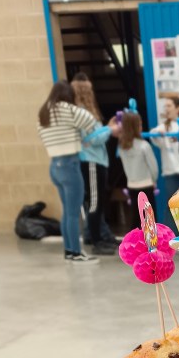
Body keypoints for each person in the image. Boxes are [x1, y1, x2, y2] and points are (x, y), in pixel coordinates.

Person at [37, 80, 98, 262]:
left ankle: (69, 251)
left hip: (54, 166)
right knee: (73, 213)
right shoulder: (66, 109)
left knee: (67, 212)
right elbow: (90, 120)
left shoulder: (44, 112)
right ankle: (77, 253)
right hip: (70, 165)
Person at [71, 73, 117, 256]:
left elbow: (95, 134)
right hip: (91, 161)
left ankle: (95, 235)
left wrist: (107, 128)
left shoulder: (85, 112)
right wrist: (110, 130)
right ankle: (97, 241)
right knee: (94, 203)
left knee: (96, 202)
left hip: (96, 160)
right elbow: (93, 139)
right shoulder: (81, 112)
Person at [114, 110, 158, 230]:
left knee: (135, 220)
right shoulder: (144, 146)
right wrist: (154, 180)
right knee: (149, 221)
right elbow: (154, 168)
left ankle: (134, 241)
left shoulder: (121, 147)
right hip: (146, 186)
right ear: (136, 126)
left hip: (132, 186)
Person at [149, 95, 179, 230]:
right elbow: (154, 137)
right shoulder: (163, 127)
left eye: (169, 106)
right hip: (171, 173)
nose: (167, 108)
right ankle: (169, 236)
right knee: (172, 206)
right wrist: (157, 133)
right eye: (165, 106)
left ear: (178, 108)